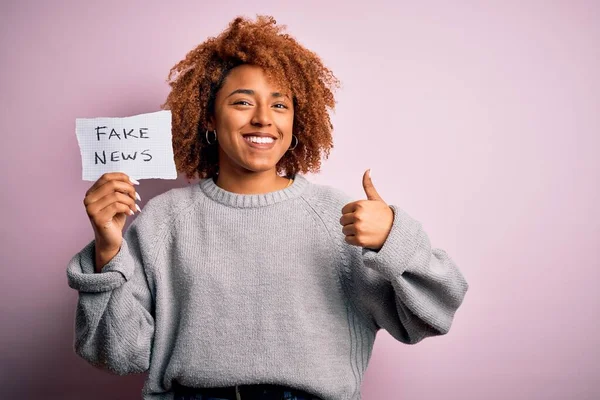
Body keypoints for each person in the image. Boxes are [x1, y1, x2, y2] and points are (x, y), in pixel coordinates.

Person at [66, 15, 469, 400]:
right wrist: (107, 250)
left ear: (297, 120)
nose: (263, 119)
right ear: (209, 117)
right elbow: (117, 355)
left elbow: (431, 316)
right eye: (242, 103)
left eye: (280, 105)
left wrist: (394, 240)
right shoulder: (163, 220)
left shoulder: (341, 217)